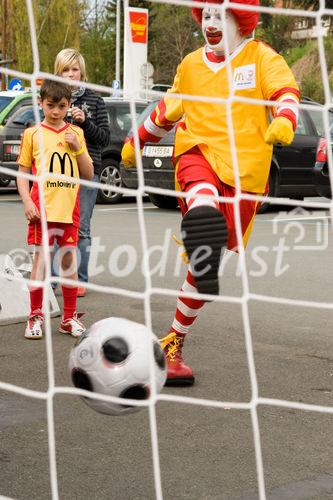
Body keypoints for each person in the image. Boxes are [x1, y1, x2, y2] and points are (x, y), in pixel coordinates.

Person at [121, 0, 299, 385]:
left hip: (244, 178)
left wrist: (285, 119)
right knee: (201, 190)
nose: (211, 23)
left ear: (241, 20)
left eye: (220, 16)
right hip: (197, 151)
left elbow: (286, 92)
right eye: (206, 16)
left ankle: (173, 343)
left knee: (204, 273)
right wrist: (137, 140)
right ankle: (203, 212)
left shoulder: (261, 58)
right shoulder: (190, 65)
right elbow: (168, 108)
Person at [17, 79, 93, 339]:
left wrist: (77, 148)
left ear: (69, 105)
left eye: (61, 106)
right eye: (51, 106)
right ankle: (35, 315)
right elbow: (22, 173)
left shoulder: (77, 133)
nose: (56, 112)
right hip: (42, 210)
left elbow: (89, 173)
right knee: (41, 261)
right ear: (41, 103)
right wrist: (27, 200)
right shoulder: (32, 134)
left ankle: (69, 318)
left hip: (69, 209)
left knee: (70, 262)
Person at [53, 48, 111, 297]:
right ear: (58, 72)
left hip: (88, 171)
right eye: (65, 69)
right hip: (59, 170)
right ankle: (54, 281)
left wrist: (85, 122)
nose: (70, 74)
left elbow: (105, 139)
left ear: (81, 72)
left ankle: (80, 280)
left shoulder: (96, 100)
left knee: (81, 228)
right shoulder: (53, 98)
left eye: (74, 69)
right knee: (57, 225)